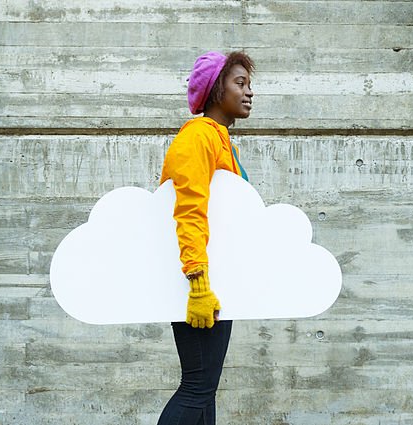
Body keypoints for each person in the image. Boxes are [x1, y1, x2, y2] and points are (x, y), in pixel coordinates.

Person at [157, 50, 254, 425]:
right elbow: (189, 208)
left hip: (218, 280)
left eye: (250, 85)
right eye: (240, 83)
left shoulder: (222, 141)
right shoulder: (197, 137)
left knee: (205, 388)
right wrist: (198, 282)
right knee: (197, 385)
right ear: (216, 89)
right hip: (200, 282)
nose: (249, 93)